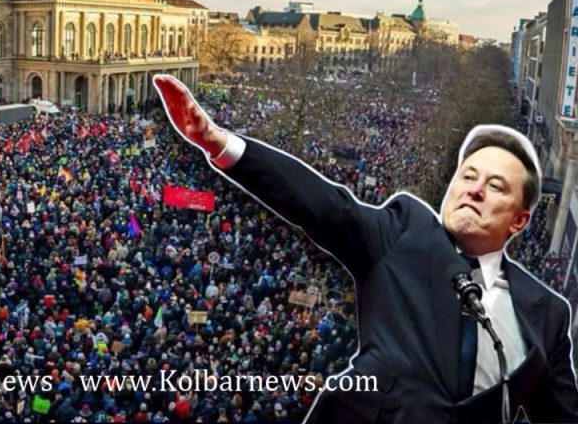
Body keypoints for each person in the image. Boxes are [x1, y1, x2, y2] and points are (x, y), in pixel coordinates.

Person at [153, 73, 578, 423]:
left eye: (496, 186)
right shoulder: (405, 233)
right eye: (467, 177)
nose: (475, 191)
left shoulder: (549, 315)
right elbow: (326, 206)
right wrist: (217, 142)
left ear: (520, 219)